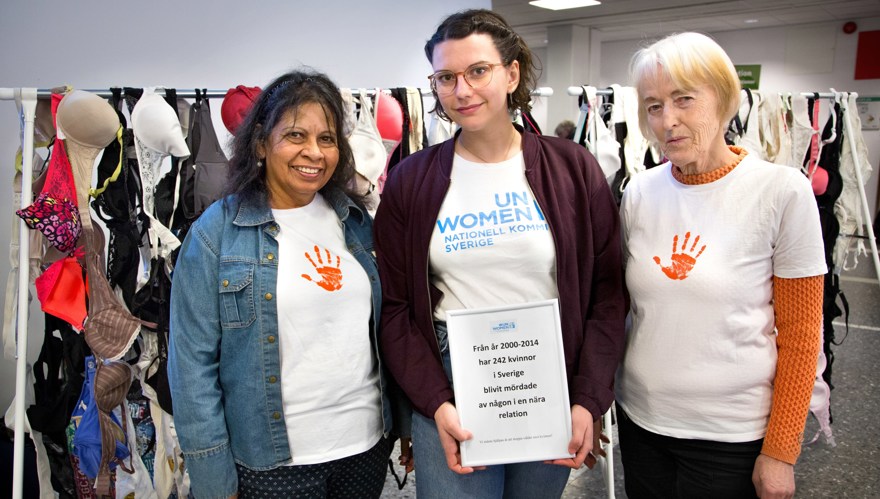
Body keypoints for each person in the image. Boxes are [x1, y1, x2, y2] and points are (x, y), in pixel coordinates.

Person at [374, 9, 626, 498]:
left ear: (511, 74)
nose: (462, 90)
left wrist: (588, 399)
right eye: (446, 77)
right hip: (451, 383)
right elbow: (397, 308)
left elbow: (608, 295)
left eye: (478, 71)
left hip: (548, 377)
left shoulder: (572, 168)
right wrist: (435, 403)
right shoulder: (412, 179)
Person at [168, 69, 400, 499]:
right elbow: (191, 368)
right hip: (272, 463)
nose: (313, 152)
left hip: (365, 447)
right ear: (260, 142)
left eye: (327, 139)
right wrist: (214, 480)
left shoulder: (356, 223)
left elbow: (383, 334)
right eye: (295, 135)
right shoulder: (216, 234)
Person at [617, 32, 826, 499]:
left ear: (725, 99)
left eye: (683, 99)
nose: (667, 120)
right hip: (643, 422)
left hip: (730, 437)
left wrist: (781, 451)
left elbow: (802, 336)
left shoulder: (782, 192)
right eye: (653, 106)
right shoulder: (639, 193)